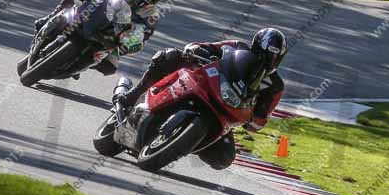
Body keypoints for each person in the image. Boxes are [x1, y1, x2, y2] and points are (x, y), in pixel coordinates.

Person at [114, 28, 288, 169]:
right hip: (205, 85)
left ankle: (187, 142)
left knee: (224, 159)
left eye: (274, 57)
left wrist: (256, 119)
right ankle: (133, 94)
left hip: (226, 109)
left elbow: (261, 118)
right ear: (256, 46)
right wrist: (198, 50)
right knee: (169, 56)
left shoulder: (276, 86)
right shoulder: (236, 46)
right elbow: (206, 47)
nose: (268, 60)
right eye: (266, 54)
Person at [34, 0, 169, 76]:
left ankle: (79, 65)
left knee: (110, 66)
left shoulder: (152, 15)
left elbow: (142, 39)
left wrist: (129, 44)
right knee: (71, 1)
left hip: (111, 37)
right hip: (95, 15)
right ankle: (49, 18)